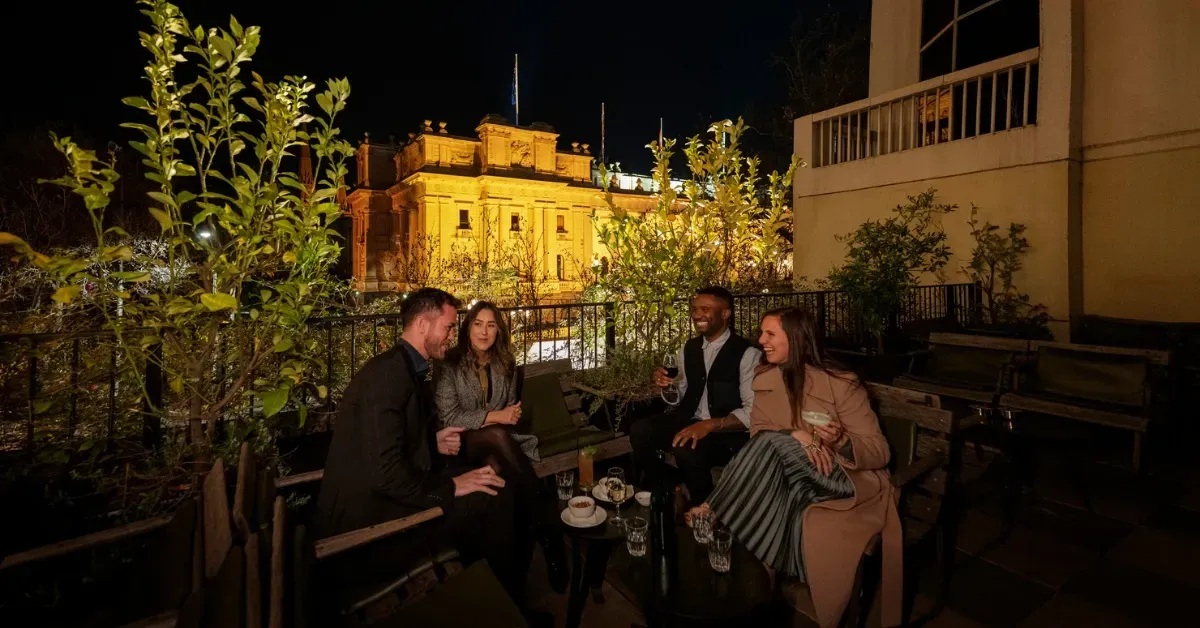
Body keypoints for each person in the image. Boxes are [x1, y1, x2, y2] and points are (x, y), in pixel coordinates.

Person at [314, 288, 534, 608]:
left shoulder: (397, 368)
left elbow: (383, 447)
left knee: (487, 482)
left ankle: (488, 596)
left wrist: (431, 442)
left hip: (388, 500)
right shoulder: (390, 376)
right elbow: (386, 474)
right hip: (371, 532)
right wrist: (449, 487)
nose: (450, 336)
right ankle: (510, 607)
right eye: (447, 327)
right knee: (495, 497)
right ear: (421, 326)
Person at [686, 307, 902, 628]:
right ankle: (758, 595)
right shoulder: (765, 379)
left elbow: (880, 451)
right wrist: (795, 435)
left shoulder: (841, 384)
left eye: (770, 334)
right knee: (772, 470)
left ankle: (713, 508)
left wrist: (841, 441)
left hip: (841, 478)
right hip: (791, 475)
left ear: (797, 338)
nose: (761, 341)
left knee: (774, 448)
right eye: (762, 333)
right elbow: (760, 437)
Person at [434, 301, 567, 592]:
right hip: (461, 444)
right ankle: (548, 526)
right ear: (467, 328)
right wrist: (495, 417)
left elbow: (508, 410)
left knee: (497, 473)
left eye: (491, 325)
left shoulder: (505, 364)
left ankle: (509, 578)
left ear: (499, 330)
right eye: (478, 324)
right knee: (494, 436)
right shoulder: (450, 365)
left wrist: (510, 415)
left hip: (500, 446)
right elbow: (449, 417)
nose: (484, 331)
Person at [630, 286, 761, 504]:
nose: (697, 315)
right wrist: (667, 387)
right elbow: (679, 395)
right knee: (640, 431)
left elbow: (752, 411)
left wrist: (710, 425)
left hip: (726, 433)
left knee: (685, 449)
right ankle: (671, 490)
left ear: (725, 313)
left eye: (705, 309)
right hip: (689, 419)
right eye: (694, 309)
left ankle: (706, 508)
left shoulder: (748, 354)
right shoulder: (688, 349)